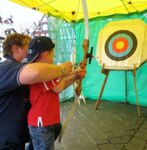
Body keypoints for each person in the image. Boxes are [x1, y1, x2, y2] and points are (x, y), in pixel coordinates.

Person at [0, 33, 73, 150]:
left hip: (19, 135)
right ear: (16, 49)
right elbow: (36, 72)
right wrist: (63, 69)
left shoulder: (23, 68)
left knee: (55, 128)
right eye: (28, 47)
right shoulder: (6, 67)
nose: (31, 51)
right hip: (7, 140)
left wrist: (74, 77)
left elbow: (54, 88)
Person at [26, 36, 86, 150]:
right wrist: (63, 70)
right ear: (46, 54)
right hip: (41, 123)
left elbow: (58, 86)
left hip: (45, 121)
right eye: (53, 55)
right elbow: (59, 87)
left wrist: (75, 75)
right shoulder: (42, 71)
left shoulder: (43, 70)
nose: (53, 57)